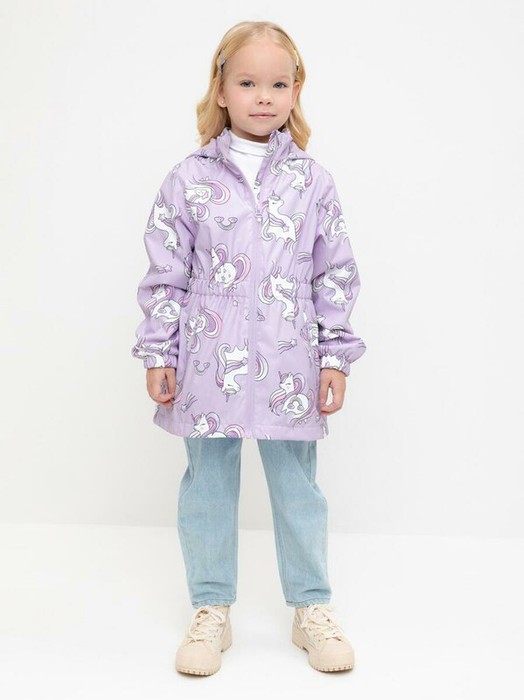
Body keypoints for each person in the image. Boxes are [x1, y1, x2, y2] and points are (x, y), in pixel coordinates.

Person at [131, 20, 367, 676]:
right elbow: (166, 272)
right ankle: (212, 608)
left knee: (298, 488)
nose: (264, 96)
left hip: (291, 361)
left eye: (278, 84)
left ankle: (311, 607)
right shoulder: (188, 179)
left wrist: (334, 357)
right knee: (208, 484)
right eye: (248, 82)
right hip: (209, 362)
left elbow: (335, 273)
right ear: (221, 89)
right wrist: (159, 352)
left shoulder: (312, 182)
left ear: (295, 91)